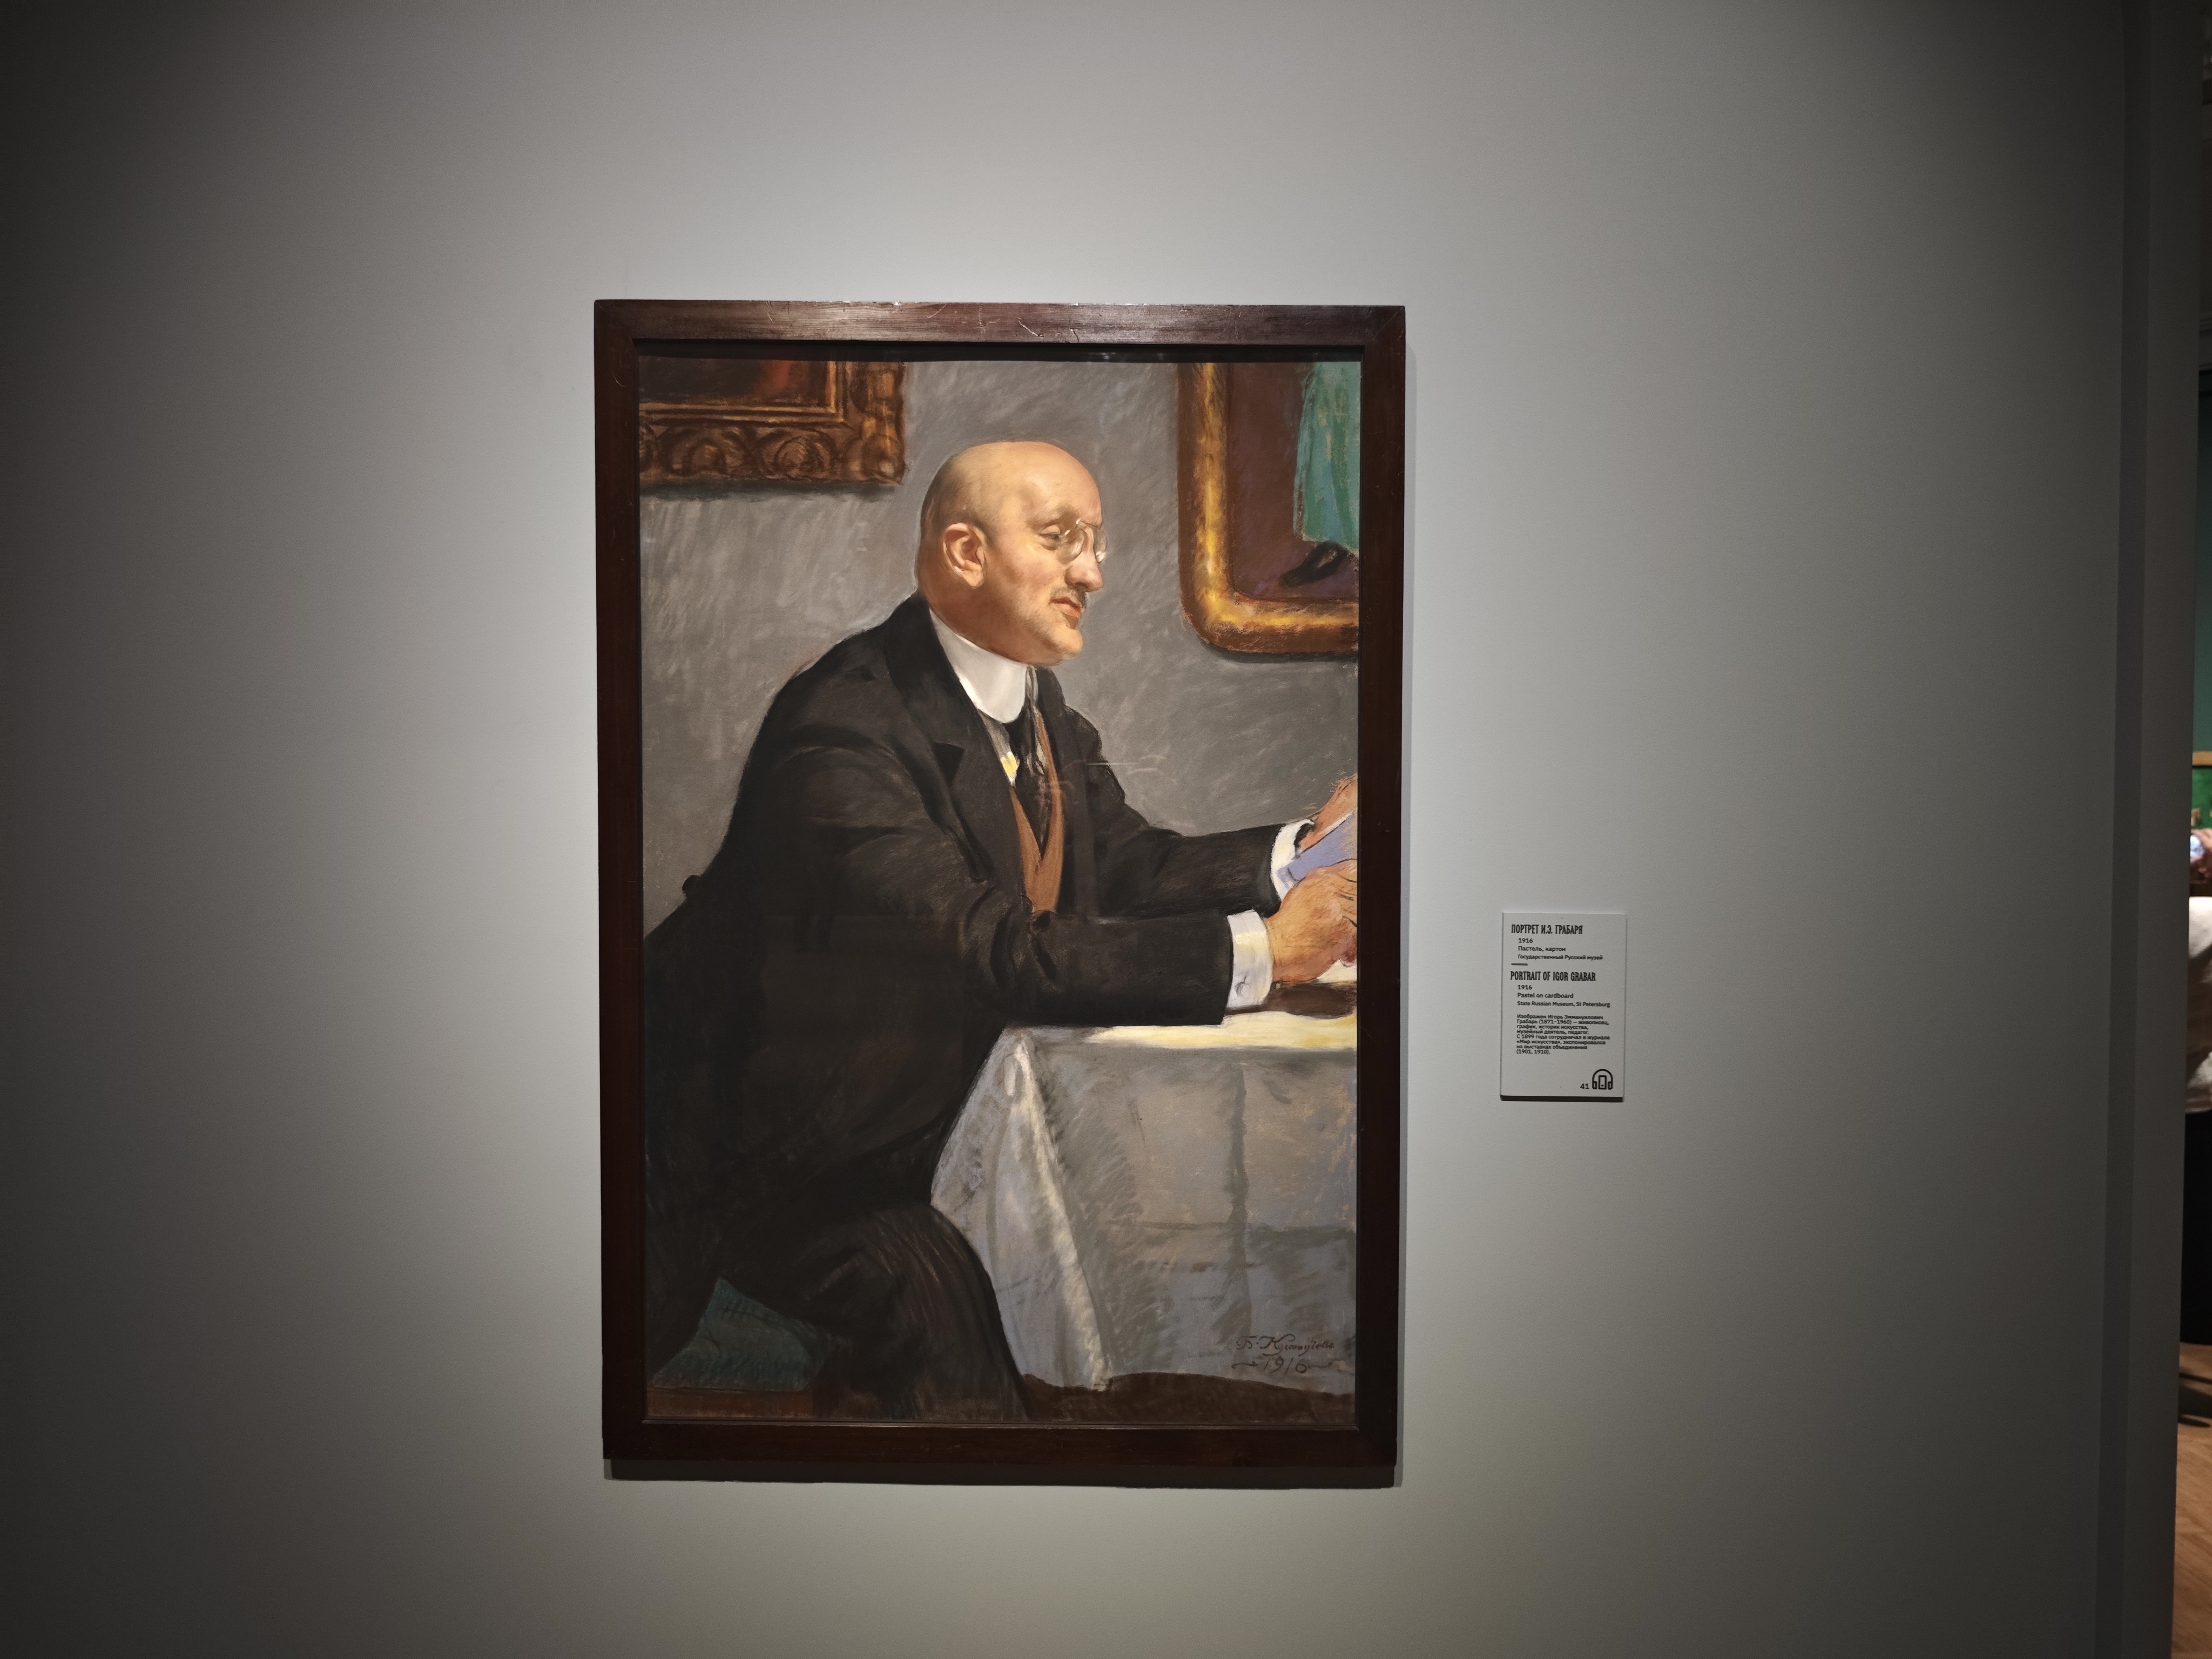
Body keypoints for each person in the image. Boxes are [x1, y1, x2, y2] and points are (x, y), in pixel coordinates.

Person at [642, 440, 1358, 1419]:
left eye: (1096, 543)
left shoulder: (1033, 704)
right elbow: (993, 950)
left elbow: (1129, 869)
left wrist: (1299, 854)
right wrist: (1264, 952)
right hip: (777, 1164)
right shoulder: (842, 733)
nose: (1093, 574)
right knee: (943, 1310)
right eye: (1062, 539)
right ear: (966, 553)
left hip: (928, 1127)